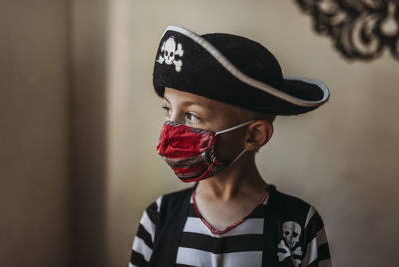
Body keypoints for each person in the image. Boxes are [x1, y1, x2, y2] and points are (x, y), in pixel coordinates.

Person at [129, 25, 332, 267]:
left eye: (192, 115)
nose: (171, 128)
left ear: (254, 135)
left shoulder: (298, 224)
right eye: (168, 109)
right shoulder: (159, 217)